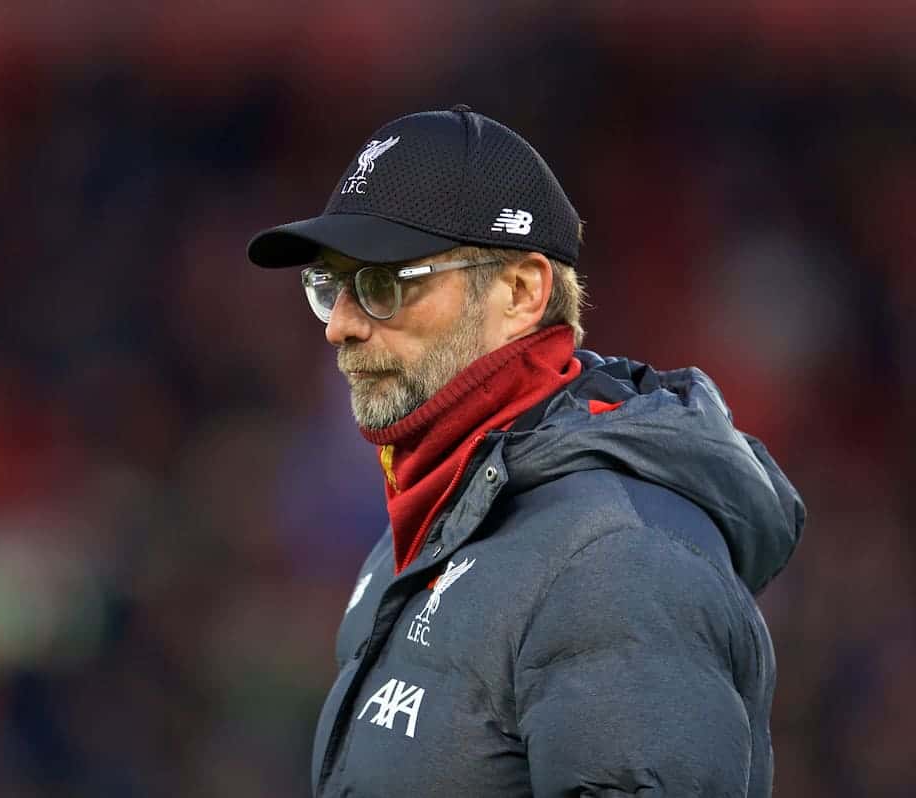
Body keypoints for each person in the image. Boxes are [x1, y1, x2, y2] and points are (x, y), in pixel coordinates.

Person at [246, 106, 805, 797]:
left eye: (384, 285)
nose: (341, 326)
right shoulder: (429, 526)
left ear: (519, 291)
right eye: (330, 287)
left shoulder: (616, 561)